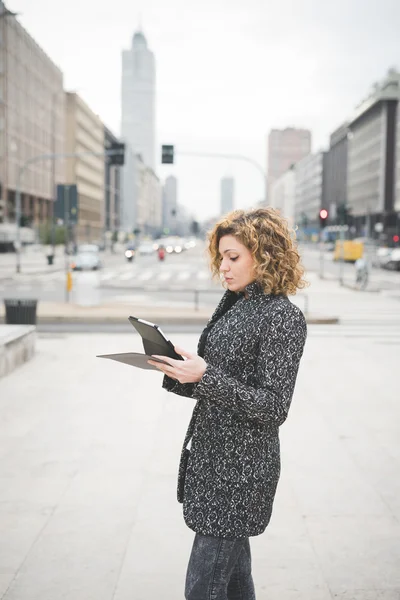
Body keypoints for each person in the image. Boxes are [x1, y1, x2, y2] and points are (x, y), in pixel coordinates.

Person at [148, 208, 308, 599]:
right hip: (212, 461)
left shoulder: (282, 317)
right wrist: (181, 371)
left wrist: (206, 377)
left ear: (265, 255)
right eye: (221, 256)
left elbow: (273, 407)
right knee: (235, 586)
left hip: (241, 474)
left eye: (234, 257)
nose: (224, 266)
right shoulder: (235, 303)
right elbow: (218, 382)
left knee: (202, 590)